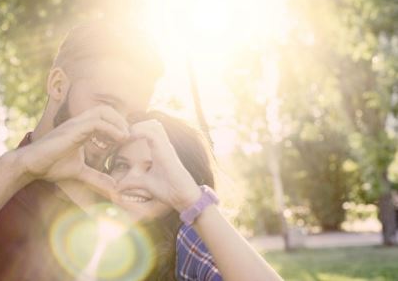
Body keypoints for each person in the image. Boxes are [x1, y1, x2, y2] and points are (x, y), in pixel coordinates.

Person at [0, 20, 163, 280]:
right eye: (107, 104)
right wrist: (22, 167)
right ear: (57, 85)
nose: (119, 128)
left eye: (132, 116)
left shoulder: (132, 209)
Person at [107, 111, 283, 281]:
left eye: (152, 168)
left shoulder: (190, 235)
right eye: (122, 165)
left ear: (187, 178)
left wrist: (192, 202)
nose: (130, 180)